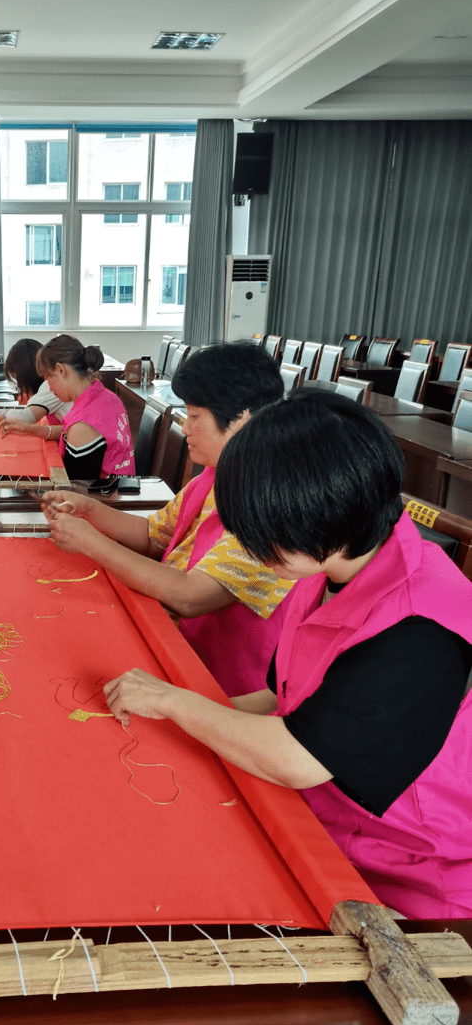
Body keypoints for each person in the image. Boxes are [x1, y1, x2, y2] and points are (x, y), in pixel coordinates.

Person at [104, 389, 472, 919]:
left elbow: (297, 757)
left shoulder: (422, 628)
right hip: (322, 824)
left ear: (327, 519)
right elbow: (283, 697)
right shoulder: (327, 569)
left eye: (267, 537)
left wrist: (174, 705)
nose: (255, 552)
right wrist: (183, 717)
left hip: (407, 881)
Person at [40, 342, 293, 697]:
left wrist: (91, 543)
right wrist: (89, 509)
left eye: (194, 417)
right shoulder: (213, 477)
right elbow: (153, 535)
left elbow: (190, 597)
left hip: (215, 683)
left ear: (240, 418)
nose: (185, 428)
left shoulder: (273, 502)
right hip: (168, 635)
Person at [0, 334, 134, 481]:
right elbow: (72, 432)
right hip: (121, 488)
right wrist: (30, 430)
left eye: (47, 378)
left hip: (105, 498)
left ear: (61, 370)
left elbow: (74, 492)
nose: (49, 387)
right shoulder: (107, 397)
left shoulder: (82, 426)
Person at [0, 338, 72, 433]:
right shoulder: (54, 380)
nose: (18, 386)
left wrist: (2, 414)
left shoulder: (51, 384)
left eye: (18, 379)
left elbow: (25, 417)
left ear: (28, 374)